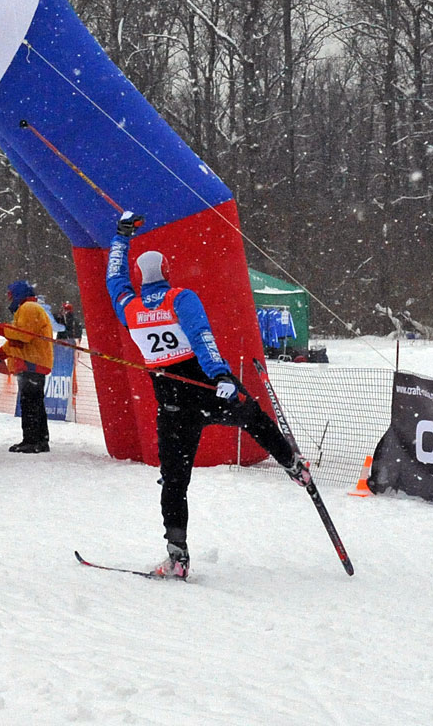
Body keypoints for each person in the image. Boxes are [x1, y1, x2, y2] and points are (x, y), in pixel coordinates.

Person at [105, 211, 309, 579]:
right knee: (254, 417)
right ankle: (292, 464)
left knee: (174, 480)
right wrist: (222, 375)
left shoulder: (130, 309)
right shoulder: (180, 297)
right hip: (205, 390)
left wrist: (121, 238)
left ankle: (177, 554)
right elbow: (201, 337)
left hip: (171, 404)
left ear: (141, 277)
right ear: (166, 272)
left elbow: (114, 280)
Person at [0, 280, 53, 453]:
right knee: (35, 403)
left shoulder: (29, 308)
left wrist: (2, 329)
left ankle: (31, 441)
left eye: (10, 295)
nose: (9, 299)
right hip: (32, 362)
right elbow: (18, 339)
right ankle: (41, 440)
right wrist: (1, 354)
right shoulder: (27, 309)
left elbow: (23, 335)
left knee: (29, 404)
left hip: (31, 363)